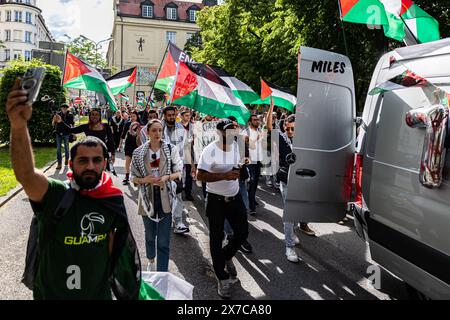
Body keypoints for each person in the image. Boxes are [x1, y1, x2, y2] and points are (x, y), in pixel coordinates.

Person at [6, 79, 140, 299]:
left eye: (97, 160)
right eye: (83, 160)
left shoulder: (112, 199)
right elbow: (26, 175)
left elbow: (115, 250)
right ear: (71, 164)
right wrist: (18, 126)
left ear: (105, 164)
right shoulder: (57, 193)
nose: (90, 166)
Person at [197, 119, 249, 299]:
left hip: (235, 198)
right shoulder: (210, 150)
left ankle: (225, 255)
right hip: (215, 201)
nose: (231, 133)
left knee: (242, 233)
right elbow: (200, 175)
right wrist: (224, 175)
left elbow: (240, 165)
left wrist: (241, 168)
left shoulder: (238, 146)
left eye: (233, 130)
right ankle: (222, 276)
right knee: (216, 239)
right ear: (219, 132)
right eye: (227, 130)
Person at [131, 119, 183, 272]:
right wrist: (144, 180)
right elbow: (133, 178)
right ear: (147, 133)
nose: (157, 133)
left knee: (163, 240)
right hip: (147, 198)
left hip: (165, 196)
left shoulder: (170, 149)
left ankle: (162, 273)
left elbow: (179, 172)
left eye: (160, 130)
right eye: (154, 130)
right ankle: (151, 259)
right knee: (149, 235)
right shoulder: (139, 152)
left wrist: (167, 178)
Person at [162, 106, 189, 234]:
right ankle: (163, 218)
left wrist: (190, 165)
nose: (171, 117)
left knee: (178, 193)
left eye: (173, 115)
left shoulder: (181, 129)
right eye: (169, 115)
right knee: (163, 193)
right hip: (161, 166)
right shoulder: (158, 128)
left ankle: (178, 221)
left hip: (177, 166)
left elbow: (185, 147)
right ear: (164, 116)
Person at [244, 115, 265, 215]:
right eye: (254, 120)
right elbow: (245, 144)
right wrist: (255, 139)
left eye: (258, 119)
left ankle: (252, 199)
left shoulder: (259, 131)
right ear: (250, 122)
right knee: (252, 183)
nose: (257, 121)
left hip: (258, 161)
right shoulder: (246, 132)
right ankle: (251, 206)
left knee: (255, 183)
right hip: (250, 162)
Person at [120, 111, 141, 185]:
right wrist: (120, 145)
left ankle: (137, 178)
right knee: (127, 161)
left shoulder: (140, 125)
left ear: (137, 117)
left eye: (134, 116)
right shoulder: (127, 124)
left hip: (137, 145)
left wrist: (139, 132)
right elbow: (123, 135)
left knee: (136, 163)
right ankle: (126, 176)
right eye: (131, 116)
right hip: (128, 144)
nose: (132, 118)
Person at [52, 104, 74, 170]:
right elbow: (53, 123)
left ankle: (67, 159)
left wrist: (73, 133)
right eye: (63, 107)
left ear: (67, 108)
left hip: (66, 133)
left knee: (66, 148)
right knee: (58, 149)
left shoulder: (70, 115)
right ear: (61, 108)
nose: (64, 109)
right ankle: (59, 164)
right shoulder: (57, 114)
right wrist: (54, 120)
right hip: (58, 133)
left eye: (65, 108)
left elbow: (71, 124)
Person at [180, 110, 195, 201]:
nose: (188, 117)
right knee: (180, 172)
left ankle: (188, 192)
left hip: (190, 153)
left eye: (189, 116)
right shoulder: (177, 126)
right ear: (181, 116)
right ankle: (179, 188)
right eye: (186, 115)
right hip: (180, 153)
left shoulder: (193, 126)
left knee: (190, 172)